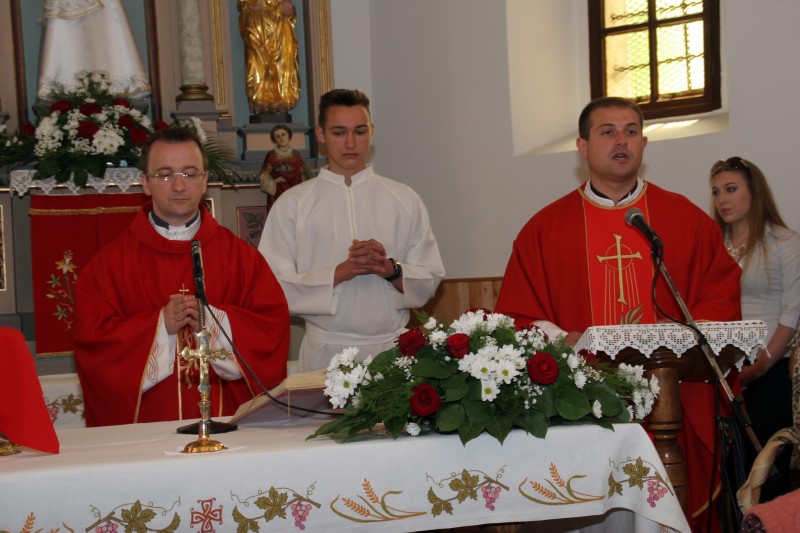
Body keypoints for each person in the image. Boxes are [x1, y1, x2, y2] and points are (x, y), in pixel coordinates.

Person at [495, 97, 742, 531]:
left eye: (630, 131)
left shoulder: (684, 219)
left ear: (644, 144)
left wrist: (682, 331)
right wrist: (564, 339)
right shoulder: (545, 228)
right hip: (579, 406)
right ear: (582, 146)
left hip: (672, 398)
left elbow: (720, 295)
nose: (620, 140)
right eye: (607, 131)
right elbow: (517, 314)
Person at [73, 127, 290, 427]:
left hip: (227, 427)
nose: (178, 185)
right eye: (164, 174)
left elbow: (272, 328)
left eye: (189, 174)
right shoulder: (108, 266)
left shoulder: (242, 258)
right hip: (147, 434)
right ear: (145, 183)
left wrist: (215, 322)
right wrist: (159, 326)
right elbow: (93, 346)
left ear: (204, 182)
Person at [259, 89, 445, 372]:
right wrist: (339, 273)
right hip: (325, 353)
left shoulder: (404, 198)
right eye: (338, 132)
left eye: (359, 131)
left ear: (371, 131)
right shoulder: (293, 204)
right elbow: (272, 286)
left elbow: (430, 276)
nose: (350, 143)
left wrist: (389, 269)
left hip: (392, 351)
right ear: (320, 134)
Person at [710, 156, 800, 500]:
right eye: (716, 192)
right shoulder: (714, 245)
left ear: (754, 192)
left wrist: (761, 364)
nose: (722, 200)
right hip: (724, 370)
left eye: (731, 189)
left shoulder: (783, 241)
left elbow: (791, 313)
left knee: (766, 466)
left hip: (769, 368)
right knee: (729, 468)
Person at [237, 0, 301, 114]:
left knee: (283, 60)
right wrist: (254, 5)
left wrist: (290, 10)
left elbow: (288, 5)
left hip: (280, 23)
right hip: (258, 23)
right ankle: (259, 98)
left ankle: (282, 99)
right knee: (257, 61)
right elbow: (243, 4)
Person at [259, 124, 311, 201]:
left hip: (295, 193)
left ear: (289, 136)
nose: (281, 138)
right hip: (278, 192)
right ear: (274, 140)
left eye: (283, 134)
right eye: (277, 136)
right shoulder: (271, 155)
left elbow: (304, 174)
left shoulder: (296, 155)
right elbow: (264, 175)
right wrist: (275, 181)